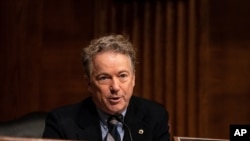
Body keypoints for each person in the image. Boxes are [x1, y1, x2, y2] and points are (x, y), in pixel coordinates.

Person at [42, 34, 170, 141]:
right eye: (104, 78)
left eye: (122, 76)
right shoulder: (62, 122)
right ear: (89, 83)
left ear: (133, 79)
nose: (115, 87)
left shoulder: (154, 117)